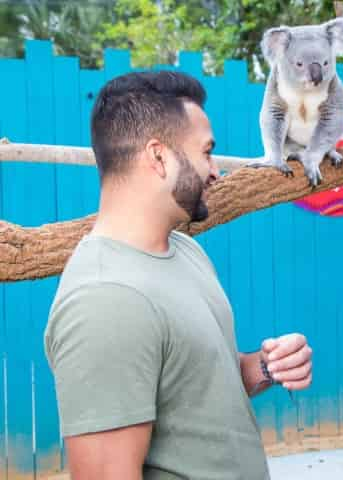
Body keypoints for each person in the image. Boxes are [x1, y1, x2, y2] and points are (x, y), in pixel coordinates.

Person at [45, 71, 313, 480]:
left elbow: (189, 387)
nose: (214, 171)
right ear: (158, 156)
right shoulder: (106, 300)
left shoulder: (185, 250)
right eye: (206, 152)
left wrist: (264, 367)